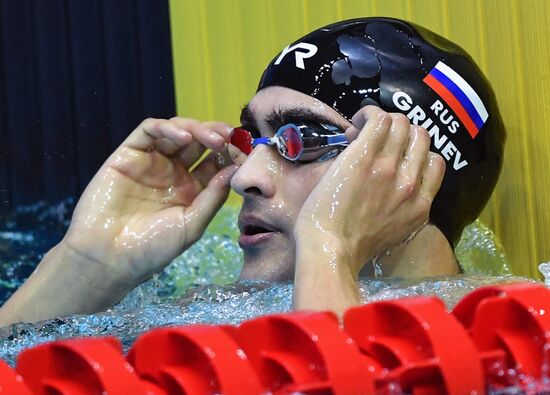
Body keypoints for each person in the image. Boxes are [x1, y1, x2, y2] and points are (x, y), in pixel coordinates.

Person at [0, 17, 504, 326]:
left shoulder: (503, 325)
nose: (244, 178)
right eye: (253, 139)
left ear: (407, 173)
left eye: (300, 141)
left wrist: (329, 247)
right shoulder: (213, 310)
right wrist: (89, 264)